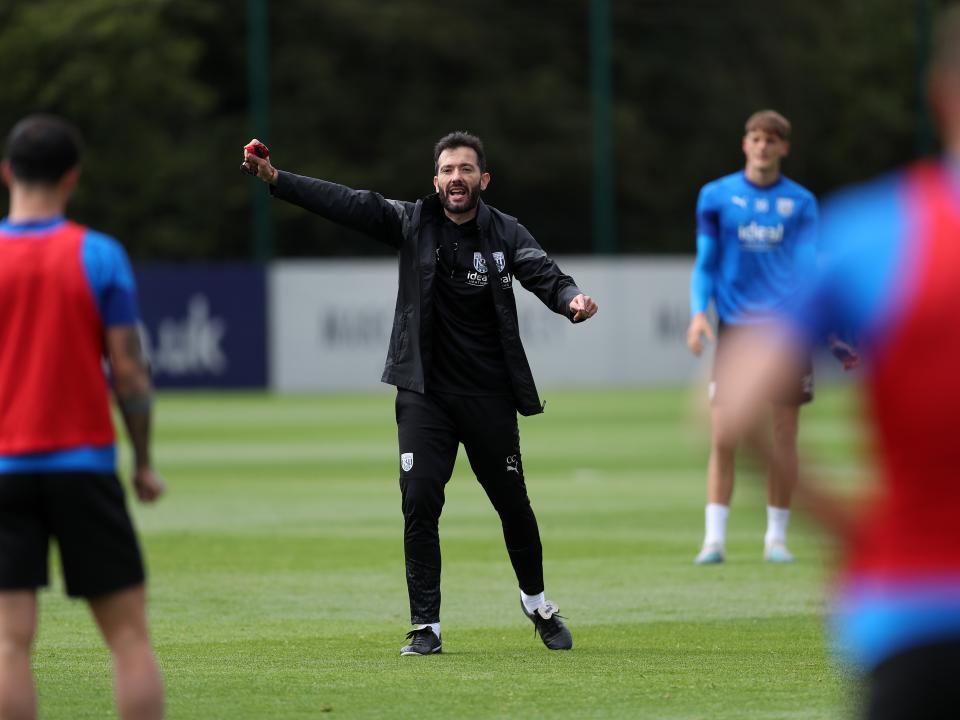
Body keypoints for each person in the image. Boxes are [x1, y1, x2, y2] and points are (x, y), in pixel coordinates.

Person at [243, 131, 597, 656]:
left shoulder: (506, 231)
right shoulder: (411, 221)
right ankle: (426, 625)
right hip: (424, 394)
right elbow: (348, 203)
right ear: (435, 181)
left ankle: (537, 603)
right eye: (448, 170)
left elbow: (544, 273)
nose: (457, 178)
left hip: (489, 396)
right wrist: (277, 179)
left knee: (513, 505)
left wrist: (572, 299)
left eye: (466, 169)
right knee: (420, 499)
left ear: (483, 179)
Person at [715, 7, 960, 717]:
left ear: (939, 93)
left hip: (918, 610)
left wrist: (855, 532)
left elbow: (730, 407)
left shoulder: (879, 229)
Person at [0, 115, 165, 719]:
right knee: (128, 639)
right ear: (72, 178)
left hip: (5, 468)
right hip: (84, 465)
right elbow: (130, 372)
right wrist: (142, 462)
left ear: (7, 173)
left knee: (8, 643)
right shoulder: (99, 255)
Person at [686, 110, 818, 565]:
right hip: (737, 331)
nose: (763, 146)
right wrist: (698, 314)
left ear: (784, 148)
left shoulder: (801, 202)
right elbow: (705, 263)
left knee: (784, 436)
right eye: (756, 138)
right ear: (745, 143)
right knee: (724, 435)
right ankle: (713, 541)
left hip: (787, 331)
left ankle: (776, 539)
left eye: (771, 140)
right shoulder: (716, 196)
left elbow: (808, 270)